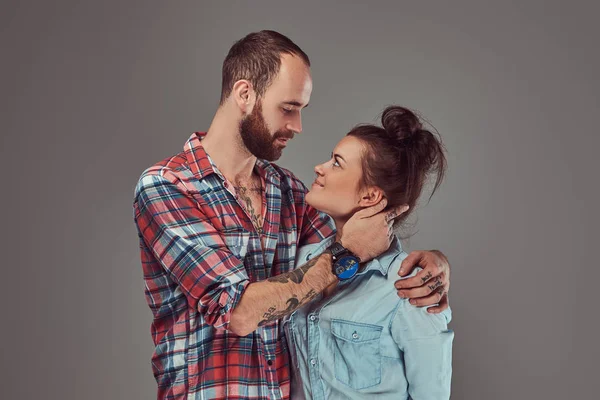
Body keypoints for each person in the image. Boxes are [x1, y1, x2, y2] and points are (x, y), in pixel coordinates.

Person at [133, 30, 451, 400]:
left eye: (301, 110)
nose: (298, 126)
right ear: (244, 94)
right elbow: (238, 313)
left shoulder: (289, 192)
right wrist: (346, 253)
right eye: (288, 108)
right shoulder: (168, 186)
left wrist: (432, 267)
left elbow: (358, 264)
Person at [286, 105, 453, 399]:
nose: (320, 167)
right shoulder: (300, 262)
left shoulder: (410, 289)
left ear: (370, 196)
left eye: (337, 163)